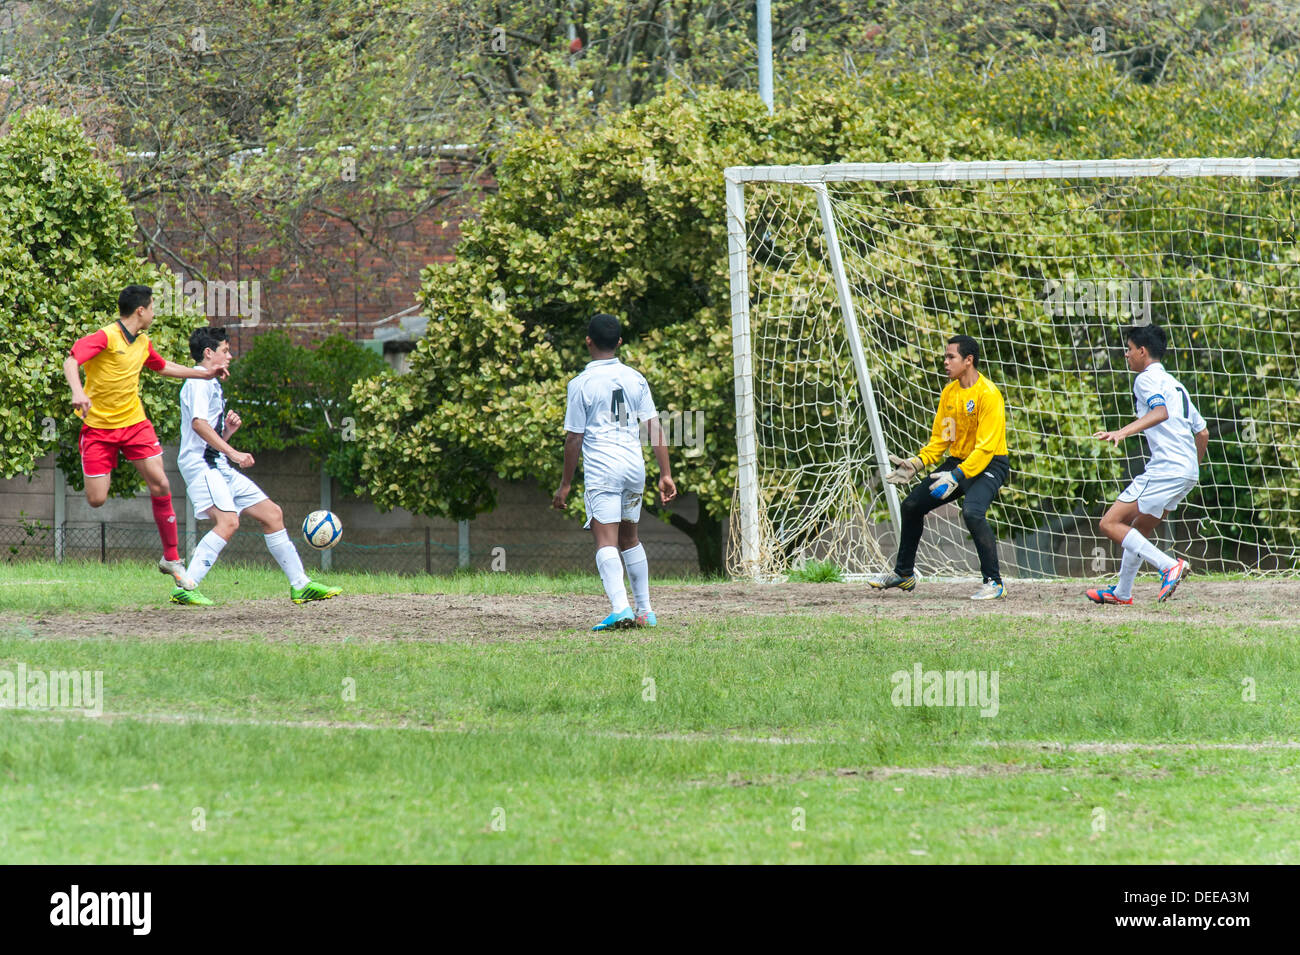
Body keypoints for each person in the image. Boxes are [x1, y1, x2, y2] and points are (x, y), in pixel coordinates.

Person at [63, 284, 229, 590]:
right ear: (141, 310)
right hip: (98, 429)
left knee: (160, 482)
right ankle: (171, 557)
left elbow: (163, 367)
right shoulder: (106, 337)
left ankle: (171, 558)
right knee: (96, 499)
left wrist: (204, 373)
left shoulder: (142, 343)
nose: (154, 312)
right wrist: (78, 391)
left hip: (135, 424)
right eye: (152, 307)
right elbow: (71, 360)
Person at [172, 326, 342, 605]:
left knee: (272, 514)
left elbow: (205, 432)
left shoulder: (211, 383)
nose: (229, 356)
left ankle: (300, 585)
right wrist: (235, 452)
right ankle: (186, 586)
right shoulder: (197, 382)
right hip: (202, 466)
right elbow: (198, 425)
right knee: (228, 522)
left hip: (216, 464)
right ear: (208, 352)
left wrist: (227, 433)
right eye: (225, 351)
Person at [553, 314, 677, 630]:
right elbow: (654, 427)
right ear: (619, 342)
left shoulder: (580, 384)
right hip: (634, 467)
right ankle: (645, 611)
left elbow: (574, 438)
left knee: (606, 539)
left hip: (603, 470)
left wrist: (565, 484)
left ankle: (621, 609)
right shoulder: (636, 379)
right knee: (630, 538)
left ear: (588, 341)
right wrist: (665, 474)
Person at [869, 335, 1011, 600]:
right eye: (945, 357)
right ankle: (904, 574)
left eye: (951, 357)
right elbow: (941, 440)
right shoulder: (949, 393)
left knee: (972, 512)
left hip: (990, 464)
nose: (945, 362)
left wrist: (956, 476)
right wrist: (917, 463)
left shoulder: (989, 394)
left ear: (968, 361)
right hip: (957, 465)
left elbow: (985, 449)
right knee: (912, 505)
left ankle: (994, 582)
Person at [1087, 323, 1207, 605]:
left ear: (1142, 351)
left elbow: (1160, 412)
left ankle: (1169, 566)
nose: (1126, 355)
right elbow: (1202, 432)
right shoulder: (1177, 385)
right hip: (1185, 471)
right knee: (1139, 528)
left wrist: (1121, 432)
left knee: (1110, 523)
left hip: (1166, 468)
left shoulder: (1144, 380)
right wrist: (1193, 468)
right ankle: (1122, 592)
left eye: (1128, 350)